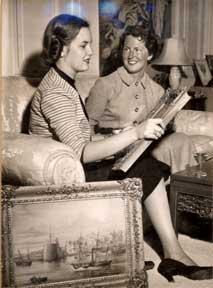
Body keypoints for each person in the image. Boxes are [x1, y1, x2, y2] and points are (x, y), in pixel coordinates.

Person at [29, 14, 212, 282]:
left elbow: (82, 136)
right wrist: (134, 133)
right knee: (148, 167)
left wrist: (119, 135)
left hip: (76, 166)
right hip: (64, 180)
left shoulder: (64, 83)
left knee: (149, 166)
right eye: (83, 45)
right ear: (62, 47)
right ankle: (172, 253)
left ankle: (167, 252)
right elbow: (81, 153)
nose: (91, 52)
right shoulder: (56, 92)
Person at [86, 25, 196, 174]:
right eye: (127, 49)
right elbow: (86, 131)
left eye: (138, 49)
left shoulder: (157, 90)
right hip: (114, 151)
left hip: (144, 148)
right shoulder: (105, 84)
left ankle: (185, 190)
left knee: (181, 139)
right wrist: (112, 137)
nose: (131, 55)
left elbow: (165, 126)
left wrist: (173, 96)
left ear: (149, 55)